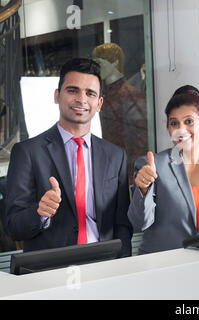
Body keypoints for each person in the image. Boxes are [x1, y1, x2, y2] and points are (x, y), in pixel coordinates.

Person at [4, 58, 133, 257]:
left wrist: (121, 265)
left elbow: (122, 225)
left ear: (99, 103)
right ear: (57, 96)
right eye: (73, 91)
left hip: (104, 266)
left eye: (90, 93)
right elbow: (13, 227)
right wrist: (39, 213)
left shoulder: (115, 156)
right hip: (51, 271)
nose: (81, 100)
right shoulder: (28, 152)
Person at [127, 86, 199, 254]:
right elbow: (139, 223)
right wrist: (143, 190)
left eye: (189, 121)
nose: (181, 130)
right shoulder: (151, 166)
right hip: (163, 270)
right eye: (174, 123)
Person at [92, 43, 148, 184]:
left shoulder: (131, 96)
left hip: (125, 174)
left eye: (100, 63)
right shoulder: (102, 94)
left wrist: (131, 176)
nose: (98, 68)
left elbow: (140, 141)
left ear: (115, 62)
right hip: (107, 168)